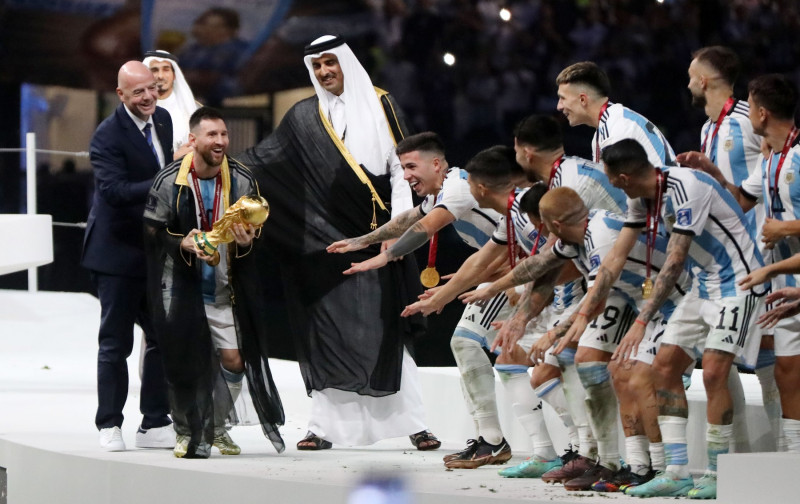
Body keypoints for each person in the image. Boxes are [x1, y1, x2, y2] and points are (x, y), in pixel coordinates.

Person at [236, 35, 435, 451]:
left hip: (377, 232)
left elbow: (403, 171)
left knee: (385, 326)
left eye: (331, 63)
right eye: (318, 66)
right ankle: (322, 427)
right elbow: (265, 162)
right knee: (324, 330)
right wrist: (220, 163)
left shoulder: (382, 103)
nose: (325, 72)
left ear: (347, 62)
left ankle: (414, 423)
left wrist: (399, 231)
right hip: (323, 241)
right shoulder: (305, 115)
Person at [562, 139, 765, 499]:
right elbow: (616, 257)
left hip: (739, 282)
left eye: (610, 178)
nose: (609, 185)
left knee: (716, 371)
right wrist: (582, 314)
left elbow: (674, 261)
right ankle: (677, 472)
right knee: (664, 367)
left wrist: (641, 322)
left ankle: (719, 474)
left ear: (623, 177)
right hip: (704, 285)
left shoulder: (686, 186)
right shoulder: (638, 196)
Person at [464, 186, 692, 492]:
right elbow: (538, 265)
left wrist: (555, 332)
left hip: (677, 301)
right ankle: (636, 468)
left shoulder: (601, 239)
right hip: (642, 304)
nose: (541, 236)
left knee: (638, 378)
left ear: (551, 225)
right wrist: (491, 289)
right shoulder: (580, 233)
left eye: (539, 228)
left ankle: (667, 470)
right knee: (620, 374)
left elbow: (596, 298)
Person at [143, 106, 285, 458]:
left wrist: (248, 242)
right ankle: (184, 431)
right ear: (193, 140)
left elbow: (257, 232)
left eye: (223, 134)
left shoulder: (241, 179)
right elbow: (150, 231)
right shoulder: (169, 180)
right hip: (179, 284)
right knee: (182, 362)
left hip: (224, 288)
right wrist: (183, 243)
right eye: (212, 135)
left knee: (235, 360)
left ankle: (215, 427)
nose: (221, 141)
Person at [677, 45, 779, 453]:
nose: (687, 83)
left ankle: (781, 455)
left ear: (704, 80)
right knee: (721, 353)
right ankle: (739, 455)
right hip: (724, 260)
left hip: (761, 255)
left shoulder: (748, 120)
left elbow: (775, 168)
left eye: (690, 75)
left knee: (772, 350)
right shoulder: (708, 130)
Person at [700, 74, 800, 455]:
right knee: (787, 373)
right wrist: (710, 175)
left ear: (761, 112)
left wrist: (784, 227)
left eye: (749, 102)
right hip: (783, 279)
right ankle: (791, 459)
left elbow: (778, 223)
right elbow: (740, 200)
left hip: (786, 275)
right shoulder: (773, 157)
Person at [81, 61, 173, 451]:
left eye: (152, 88)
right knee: (116, 344)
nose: (149, 96)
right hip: (116, 254)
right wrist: (172, 172)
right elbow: (115, 192)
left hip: (156, 252)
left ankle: (154, 422)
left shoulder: (165, 119)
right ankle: (109, 424)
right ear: (121, 95)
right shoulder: (106, 136)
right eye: (139, 92)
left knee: (162, 337)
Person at [555, 61, 676, 166]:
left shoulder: (618, 128)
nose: (559, 106)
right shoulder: (610, 123)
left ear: (582, 99)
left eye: (563, 98)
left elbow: (618, 190)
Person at [143, 50, 200, 160]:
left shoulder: (192, 110)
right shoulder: (137, 109)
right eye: (154, 70)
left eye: (166, 69)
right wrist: (174, 158)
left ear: (174, 75)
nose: (160, 76)